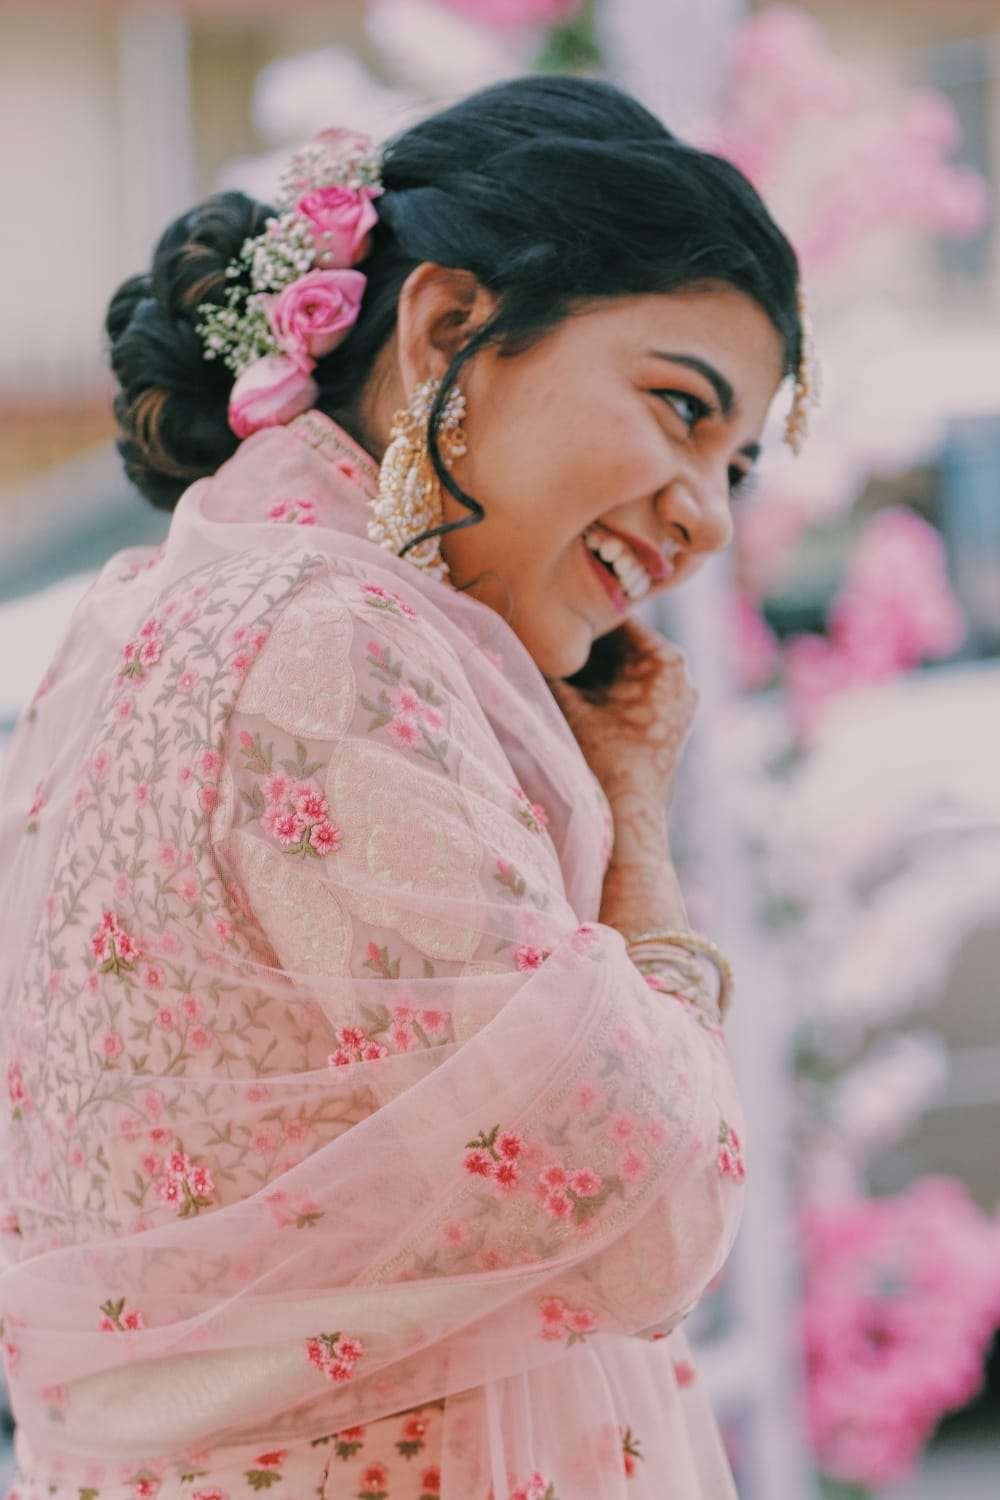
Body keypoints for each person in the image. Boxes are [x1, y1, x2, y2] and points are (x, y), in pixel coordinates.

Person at [0, 75, 807, 1500]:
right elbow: (652, 1212)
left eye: (734, 464)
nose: (707, 519)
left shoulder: (164, 607)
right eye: (680, 408)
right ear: (447, 331)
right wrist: (639, 841)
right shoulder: (329, 643)